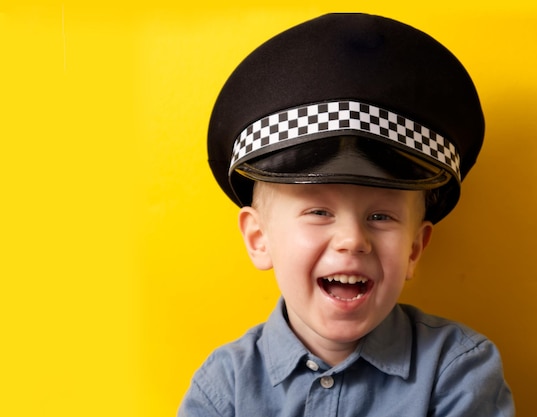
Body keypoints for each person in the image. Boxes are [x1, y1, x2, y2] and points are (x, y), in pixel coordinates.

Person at [179, 12, 514, 416]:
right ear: (258, 239)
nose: (353, 240)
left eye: (381, 217)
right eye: (319, 211)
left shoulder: (459, 370)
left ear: (414, 248)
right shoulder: (223, 388)